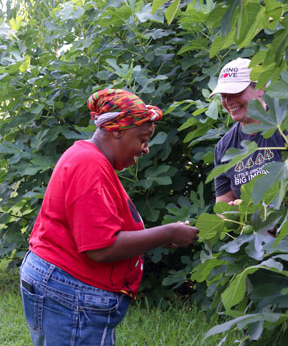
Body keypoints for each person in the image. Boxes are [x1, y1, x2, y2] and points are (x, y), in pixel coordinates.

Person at [20, 88, 199, 346]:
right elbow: (101, 248)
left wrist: (155, 238)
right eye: (142, 139)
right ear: (117, 131)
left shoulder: (90, 158)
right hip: (71, 291)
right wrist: (167, 233)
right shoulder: (89, 165)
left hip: (62, 283)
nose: (146, 148)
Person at [209, 57, 286, 204]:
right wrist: (233, 212)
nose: (229, 102)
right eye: (224, 96)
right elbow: (223, 202)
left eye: (236, 93)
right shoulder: (224, 147)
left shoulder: (284, 123)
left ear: (260, 88)